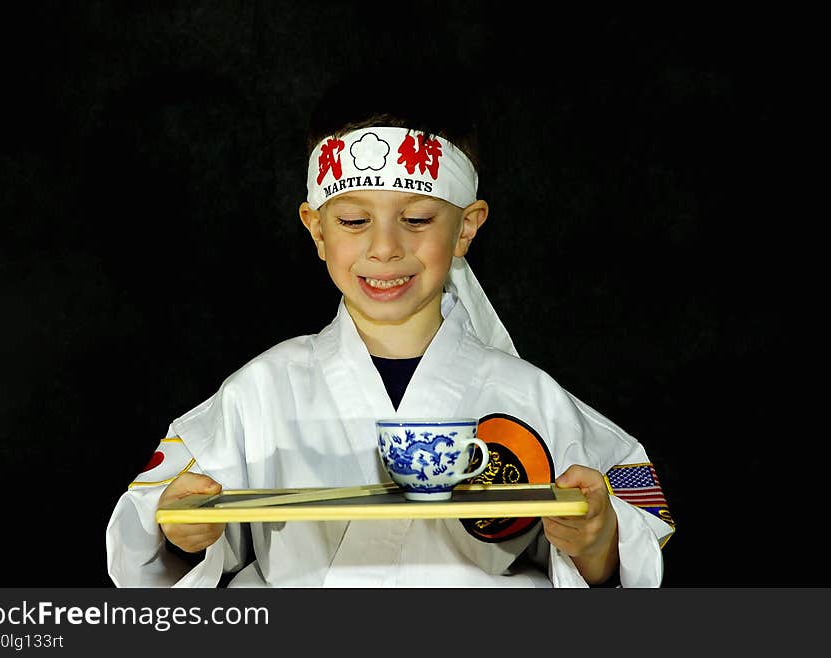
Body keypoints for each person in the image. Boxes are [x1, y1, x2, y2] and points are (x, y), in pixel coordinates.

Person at [106, 73, 675, 588]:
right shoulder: (260, 392)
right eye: (354, 220)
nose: (384, 248)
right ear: (316, 229)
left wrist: (596, 541)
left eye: (417, 219)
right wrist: (182, 533)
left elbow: (628, 523)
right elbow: (156, 546)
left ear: (466, 228)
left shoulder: (528, 396)